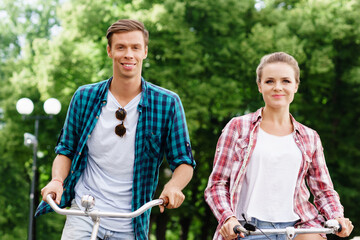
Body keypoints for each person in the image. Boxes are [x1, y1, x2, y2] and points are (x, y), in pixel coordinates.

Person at [35, 19, 196, 240]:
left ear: (145, 52)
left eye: (135, 47)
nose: (128, 54)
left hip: (131, 219)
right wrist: (56, 181)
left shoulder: (167, 103)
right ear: (110, 51)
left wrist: (174, 186)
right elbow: (66, 151)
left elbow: (184, 162)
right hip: (84, 211)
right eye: (121, 47)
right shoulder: (84, 97)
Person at [204, 52, 353, 240]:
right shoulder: (237, 127)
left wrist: (337, 217)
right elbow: (216, 185)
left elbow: (323, 191)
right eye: (269, 81)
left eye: (286, 81)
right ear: (259, 86)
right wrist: (228, 219)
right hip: (248, 229)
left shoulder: (310, 137)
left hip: (299, 228)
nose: (278, 88)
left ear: (296, 86)